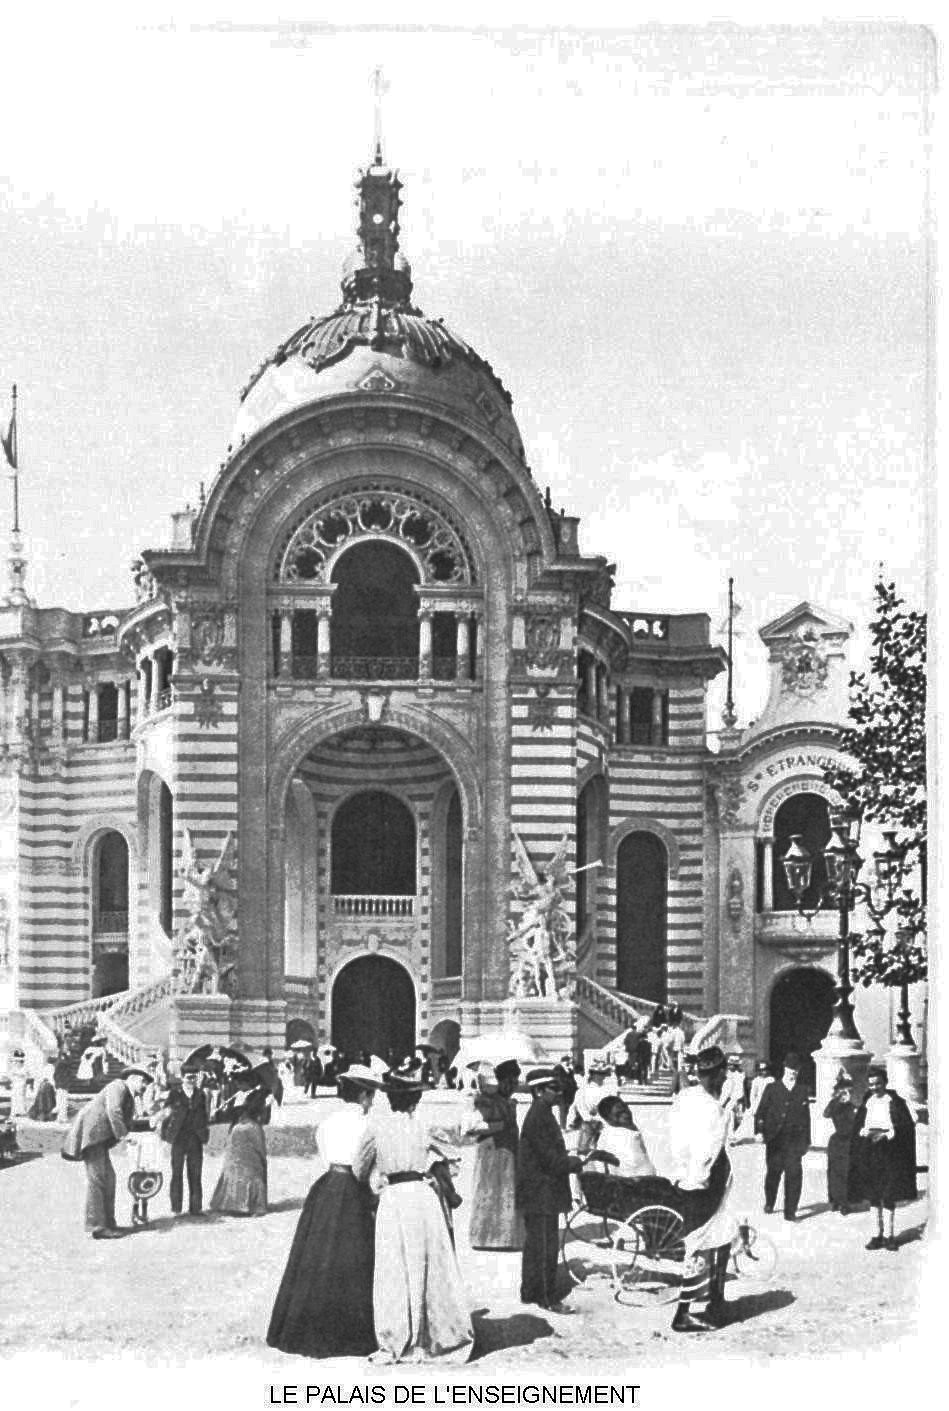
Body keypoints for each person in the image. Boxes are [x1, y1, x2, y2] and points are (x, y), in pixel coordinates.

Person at [353, 1073, 473, 1365]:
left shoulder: (376, 1127)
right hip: (422, 1197)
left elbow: (359, 1167)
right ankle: (427, 1338)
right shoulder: (424, 1126)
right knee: (428, 1265)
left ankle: (394, 1339)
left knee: (394, 1267)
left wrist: (376, 1182)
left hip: (393, 1199)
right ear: (416, 1100)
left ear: (389, 1098)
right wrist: (433, 1172)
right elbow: (455, 1156)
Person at [267, 1065, 381, 1357]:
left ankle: (306, 1322)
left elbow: (325, 1154)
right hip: (354, 1188)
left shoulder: (328, 1122)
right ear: (365, 1095)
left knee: (317, 1256)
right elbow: (366, 1166)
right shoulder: (369, 1125)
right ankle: (348, 1331)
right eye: (372, 1095)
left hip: (328, 1186)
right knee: (353, 1256)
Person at [668, 1045, 737, 1333]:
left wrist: (683, 1175)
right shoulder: (713, 1109)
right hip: (705, 1186)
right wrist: (700, 1181)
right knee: (698, 1246)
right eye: (724, 1073)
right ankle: (683, 1313)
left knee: (719, 1240)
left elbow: (674, 1137)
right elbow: (707, 1152)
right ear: (719, 1073)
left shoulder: (685, 1098)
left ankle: (716, 1299)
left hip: (687, 1179)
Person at [516, 1067, 584, 1314]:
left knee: (535, 1244)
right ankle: (547, 1298)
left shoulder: (541, 1112)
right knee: (545, 1247)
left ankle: (529, 1292)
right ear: (538, 1091)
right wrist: (574, 1163)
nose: (559, 1092)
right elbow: (551, 1161)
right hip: (541, 1191)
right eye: (553, 1088)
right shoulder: (539, 1116)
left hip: (537, 1191)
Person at [61, 1065, 151, 1238]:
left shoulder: (128, 1094)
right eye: (142, 1081)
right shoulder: (118, 1086)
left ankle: (108, 1223)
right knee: (98, 1180)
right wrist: (124, 1136)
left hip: (98, 1139)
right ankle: (97, 1227)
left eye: (146, 1083)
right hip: (93, 1138)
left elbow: (125, 1118)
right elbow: (113, 1111)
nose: (144, 1086)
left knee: (108, 1179)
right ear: (131, 1078)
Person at [848, 1065, 918, 1252]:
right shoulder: (867, 1102)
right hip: (870, 1151)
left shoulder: (895, 1102)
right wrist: (865, 1132)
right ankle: (876, 1235)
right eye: (871, 1084)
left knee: (888, 1195)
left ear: (885, 1083)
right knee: (872, 1195)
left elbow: (904, 1127)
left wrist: (887, 1135)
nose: (874, 1087)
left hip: (889, 1151)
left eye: (878, 1084)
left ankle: (889, 1236)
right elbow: (859, 1126)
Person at [469, 1060, 524, 1251]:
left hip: (508, 1153)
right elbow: (473, 1128)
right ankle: (485, 1237)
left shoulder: (508, 1102)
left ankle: (504, 1237)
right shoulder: (486, 1100)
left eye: (515, 1082)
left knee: (506, 1192)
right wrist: (500, 1126)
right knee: (490, 1191)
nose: (512, 1086)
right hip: (491, 1153)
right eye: (509, 1082)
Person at [754, 1051, 811, 1221]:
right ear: (784, 1068)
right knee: (773, 1173)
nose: (793, 1072)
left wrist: (807, 1140)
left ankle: (790, 1211)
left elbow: (806, 1118)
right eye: (790, 1068)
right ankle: (770, 1201)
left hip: (794, 1141)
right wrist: (759, 1132)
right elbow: (761, 1112)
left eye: (796, 1069)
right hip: (775, 1139)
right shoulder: (772, 1088)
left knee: (794, 1175)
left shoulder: (802, 1090)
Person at [209, 1086, 270, 1215]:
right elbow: (260, 1151)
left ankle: (229, 1203)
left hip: (232, 1163)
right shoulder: (254, 1128)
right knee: (255, 1170)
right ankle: (252, 1205)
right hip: (249, 1167)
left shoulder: (237, 1127)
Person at [161, 1066, 211, 1216]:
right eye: (189, 1077)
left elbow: (204, 1115)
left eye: (194, 1077)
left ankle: (196, 1208)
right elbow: (167, 1114)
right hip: (179, 1137)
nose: (191, 1080)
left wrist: (204, 1131)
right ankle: (176, 1208)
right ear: (182, 1077)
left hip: (195, 1137)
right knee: (177, 1172)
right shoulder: (174, 1093)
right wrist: (167, 1134)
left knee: (195, 1173)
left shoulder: (201, 1094)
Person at [592, 1096, 657, 1179]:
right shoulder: (608, 1137)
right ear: (608, 1118)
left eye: (625, 1110)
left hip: (652, 1182)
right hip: (629, 1185)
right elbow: (601, 1167)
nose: (625, 1115)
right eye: (618, 1114)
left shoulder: (637, 1127)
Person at [822, 1074, 858, 1214]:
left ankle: (845, 1202)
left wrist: (850, 1102)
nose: (846, 1093)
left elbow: (856, 1120)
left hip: (850, 1141)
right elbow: (826, 1114)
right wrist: (838, 1100)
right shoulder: (835, 1103)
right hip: (837, 1141)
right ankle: (835, 1200)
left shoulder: (853, 1105)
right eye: (843, 1090)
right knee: (834, 1172)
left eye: (849, 1090)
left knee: (846, 1172)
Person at [719, 1055, 746, 1145]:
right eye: (729, 1064)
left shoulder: (741, 1075)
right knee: (728, 1115)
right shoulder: (728, 1075)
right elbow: (726, 1089)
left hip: (738, 1098)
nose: (730, 1066)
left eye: (733, 1065)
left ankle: (733, 1134)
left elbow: (743, 1088)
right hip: (731, 1097)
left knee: (738, 1117)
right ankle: (730, 1134)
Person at [552, 1054, 578, 1130]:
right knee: (562, 1110)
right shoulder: (557, 1068)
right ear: (562, 1062)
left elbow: (572, 1080)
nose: (568, 1063)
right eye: (567, 1062)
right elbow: (558, 1080)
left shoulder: (569, 1070)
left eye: (569, 1062)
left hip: (569, 1093)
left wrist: (575, 1087)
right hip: (561, 1092)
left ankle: (564, 1125)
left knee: (566, 1110)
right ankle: (562, 1127)